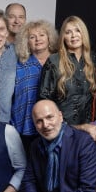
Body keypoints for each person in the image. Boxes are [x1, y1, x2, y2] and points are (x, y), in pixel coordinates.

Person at [38, 15, 96, 126]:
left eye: (77, 30)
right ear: (63, 37)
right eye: (68, 32)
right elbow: (44, 99)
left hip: (87, 128)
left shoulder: (92, 60)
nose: (73, 35)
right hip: (61, 128)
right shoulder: (54, 61)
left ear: (83, 33)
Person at [11, 19, 59, 152]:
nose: (38, 39)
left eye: (42, 35)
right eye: (32, 37)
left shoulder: (59, 62)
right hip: (24, 125)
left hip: (53, 124)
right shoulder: (19, 65)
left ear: (49, 38)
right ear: (26, 42)